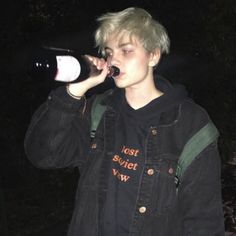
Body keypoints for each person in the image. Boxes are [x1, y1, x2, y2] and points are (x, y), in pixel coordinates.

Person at [24, 7, 225, 236]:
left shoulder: (190, 125)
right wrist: (75, 91)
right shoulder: (98, 112)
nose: (113, 60)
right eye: (109, 52)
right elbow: (43, 155)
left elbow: (203, 221)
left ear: (154, 55)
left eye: (126, 50)